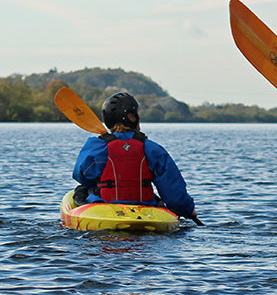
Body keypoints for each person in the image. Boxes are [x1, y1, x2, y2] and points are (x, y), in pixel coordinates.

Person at [72, 91, 198, 222]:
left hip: (104, 209)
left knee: (82, 189)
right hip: (146, 210)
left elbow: (81, 175)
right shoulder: (152, 149)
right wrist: (188, 210)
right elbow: (173, 193)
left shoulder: (97, 147)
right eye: (137, 113)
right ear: (131, 117)